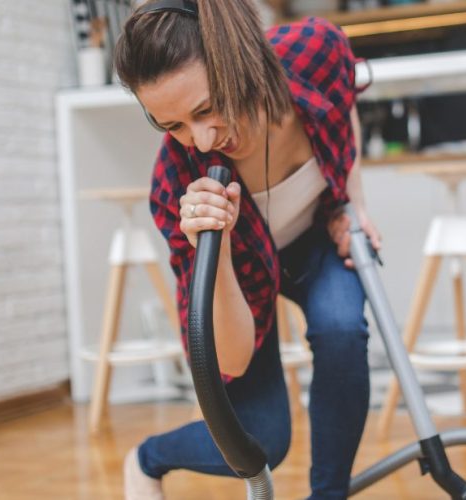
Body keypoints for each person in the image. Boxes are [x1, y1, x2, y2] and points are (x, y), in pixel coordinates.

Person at [112, 1, 381, 499]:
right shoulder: (177, 178)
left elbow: (344, 104)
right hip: (240, 290)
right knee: (260, 441)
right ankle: (149, 458)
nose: (202, 139)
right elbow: (231, 355)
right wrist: (217, 247)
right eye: (173, 126)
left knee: (341, 328)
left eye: (206, 107)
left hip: (315, 239)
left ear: (239, 58)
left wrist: (352, 202)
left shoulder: (314, 51)